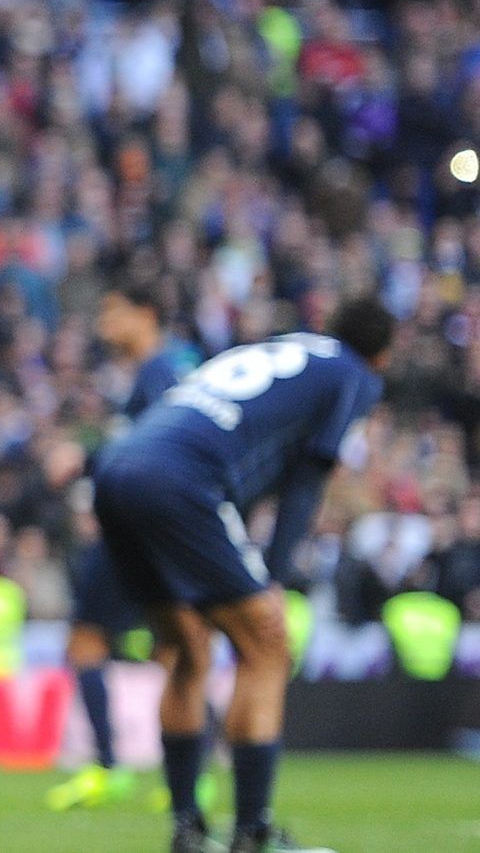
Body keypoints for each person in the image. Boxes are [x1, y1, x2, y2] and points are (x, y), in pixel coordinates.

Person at [93, 298, 395, 853]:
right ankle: (253, 832)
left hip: (118, 469)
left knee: (189, 650)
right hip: (180, 479)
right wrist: (273, 576)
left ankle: (188, 831)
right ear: (384, 355)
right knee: (267, 644)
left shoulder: (291, 346)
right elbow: (308, 480)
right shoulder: (356, 374)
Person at [50, 270, 206, 812]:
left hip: (136, 530)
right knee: (172, 648)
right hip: (156, 528)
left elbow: (157, 448)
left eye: (111, 310)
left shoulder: (161, 370)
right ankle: (191, 774)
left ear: (145, 315)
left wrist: (87, 460)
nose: (103, 323)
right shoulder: (164, 368)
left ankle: (113, 768)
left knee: (90, 643)